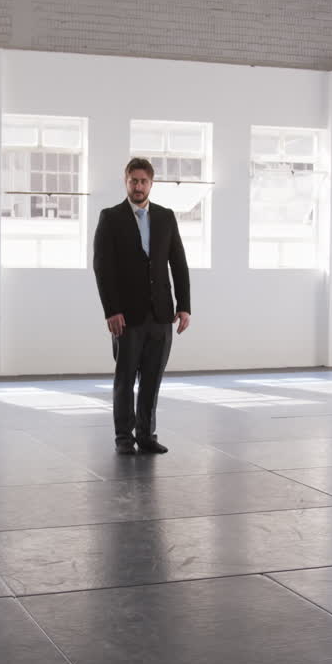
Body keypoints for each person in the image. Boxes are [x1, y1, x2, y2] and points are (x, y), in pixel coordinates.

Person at [93, 158, 191, 455]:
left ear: (151, 183)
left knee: (152, 378)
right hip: (127, 316)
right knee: (125, 378)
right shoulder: (110, 217)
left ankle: (146, 435)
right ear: (126, 182)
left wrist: (184, 306)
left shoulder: (166, 217)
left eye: (143, 181)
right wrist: (111, 310)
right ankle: (124, 437)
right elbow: (103, 267)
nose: (138, 186)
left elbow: (179, 263)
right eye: (133, 181)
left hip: (161, 313)